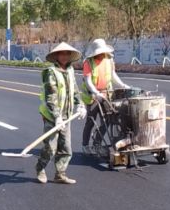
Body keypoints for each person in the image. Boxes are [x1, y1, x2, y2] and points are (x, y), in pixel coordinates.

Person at [35, 42, 86, 185]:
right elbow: (51, 97)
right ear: (56, 55)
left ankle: (60, 174)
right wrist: (57, 117)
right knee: (50, 147)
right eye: (61, 53)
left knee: (66, 148)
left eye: (67, 54)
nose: (64, 56)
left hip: (66, 115)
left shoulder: (70, 70)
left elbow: (74, 90)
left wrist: (81, 104)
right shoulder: (51, 72)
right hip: (52, 116)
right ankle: (40, 168)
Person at [81, 38, 129, 153]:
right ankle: (85, 145)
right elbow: (88, 81)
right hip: (93, 96)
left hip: (106, 94)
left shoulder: (109, 60)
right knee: (91, 121)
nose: (102, 54)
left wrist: (123, 85)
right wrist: (96, 93)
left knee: (108, 120)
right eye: (99, 53)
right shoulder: (88, 62)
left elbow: (113, 75)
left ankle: (97, 144)